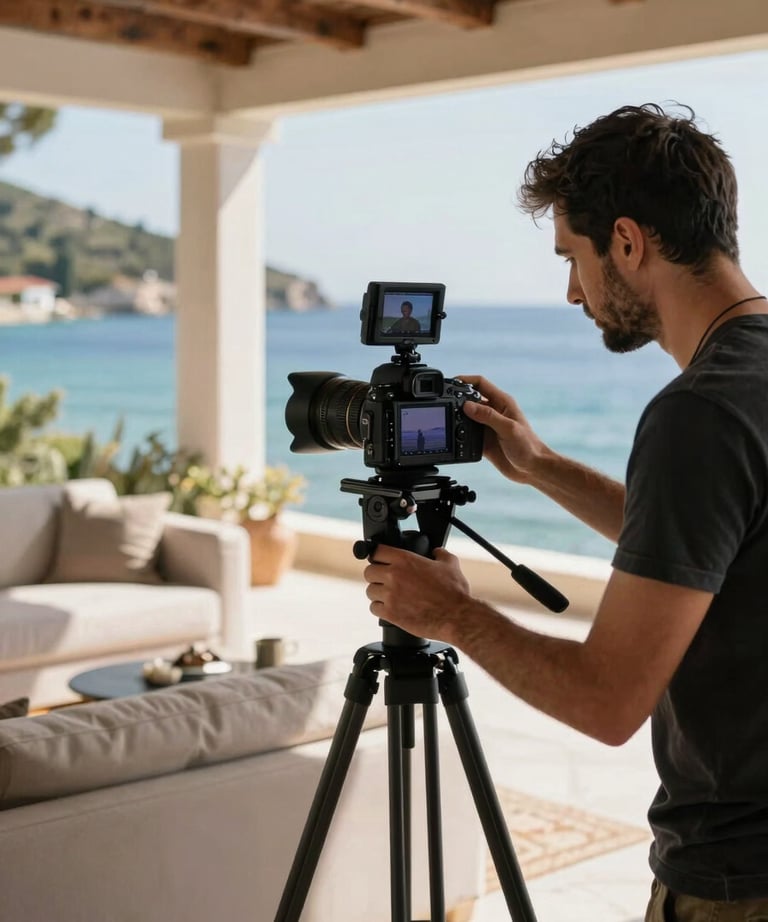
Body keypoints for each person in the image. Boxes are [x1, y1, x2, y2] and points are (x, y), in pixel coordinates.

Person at [363, 103, 768, 920]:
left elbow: (606, 701)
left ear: (628, 241)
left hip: (739, 881)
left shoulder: (698, 413)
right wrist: (541, 467)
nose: (573, 291)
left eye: (573, 258)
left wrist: (455, 616)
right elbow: (712, 542)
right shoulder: (746, 387)